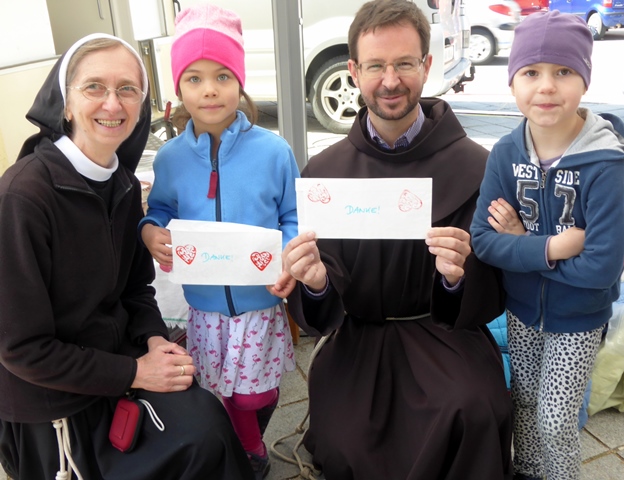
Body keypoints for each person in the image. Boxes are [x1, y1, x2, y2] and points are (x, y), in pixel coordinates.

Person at [0, 33, 254, 480]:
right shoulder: (23, 198)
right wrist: (135, 371)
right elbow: (22, 350)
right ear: (64, 103)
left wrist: (154, 337)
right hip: (53, 399)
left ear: (141, 105)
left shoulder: (122, 182)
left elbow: (137, 288)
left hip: (119, 362)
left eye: (127, 90)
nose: (112, 104)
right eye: (94, 87)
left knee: (209, 429)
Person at [277, 1, 513, 478]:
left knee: (474, 408)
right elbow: (321, 303)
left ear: (427, 66)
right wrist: (317, 282)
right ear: (353, 70)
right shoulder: (325, 174)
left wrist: (456, 277)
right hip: (359, 335)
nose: (390, 80)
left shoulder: (475, 167)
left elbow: (490, 283)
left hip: (444, 333)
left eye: (404, 63)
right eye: (376, 66)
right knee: (347, 436)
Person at [470, 11, 624, 480]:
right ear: (512, 82)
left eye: (563, 72)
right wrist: (551, 247)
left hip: (579, 320)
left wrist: (520, 248)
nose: (546, 87)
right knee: (522, 400)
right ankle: (525, 470)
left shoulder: (605, 167)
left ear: (584, 79)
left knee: (556, 417)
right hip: (521, 311)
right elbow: (484, 241)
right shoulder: (506, 154)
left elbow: (601, 270)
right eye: (531, 72)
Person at [139, 5, 299, 478]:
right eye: (194, 77)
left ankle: (244, 437)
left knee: (255, 393)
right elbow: (159, 210)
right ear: (178, 87)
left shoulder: (274, 151)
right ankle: (249, 450)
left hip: (259, 302)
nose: (209, 88)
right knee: (220, 389)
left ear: (240, 81)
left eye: (223, 75)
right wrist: (150, 231)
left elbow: (293, 214)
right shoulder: (169, 159)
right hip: (205, 307)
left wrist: (288, 258)